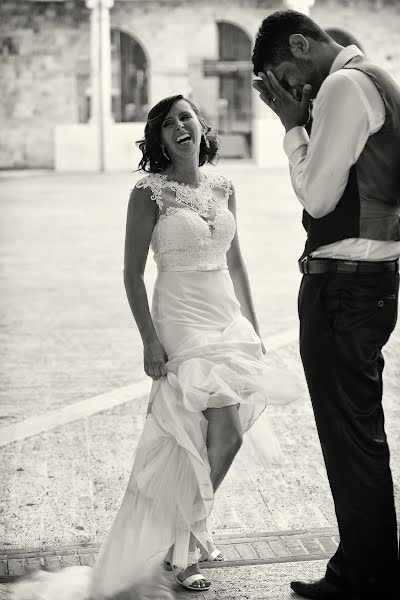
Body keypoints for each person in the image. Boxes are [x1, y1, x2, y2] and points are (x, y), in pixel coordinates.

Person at [7, 94, 299, 599]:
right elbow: (131, 273)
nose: (180, 127)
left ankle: (180, 538)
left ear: (201, 126)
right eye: (168, 124)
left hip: (224, 316)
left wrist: (254, 328)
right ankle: (181, 548)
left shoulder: (224, 185)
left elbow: (237, 262)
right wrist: (149, 339)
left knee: (224, 436)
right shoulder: (149, 192)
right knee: (205, 429)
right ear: (160, 140)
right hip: (179, 316)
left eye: (186, 117)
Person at [252, 9, 400, 600]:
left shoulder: (342, 84)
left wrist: (292, 126)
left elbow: (317, 197)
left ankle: (362, 574)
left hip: (342, 284)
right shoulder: (380, 77)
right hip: (373, 280)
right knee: (360, 431)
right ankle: (371, 563)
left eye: (287, 76)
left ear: (301, 44)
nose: (293, 90)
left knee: (348, 435)